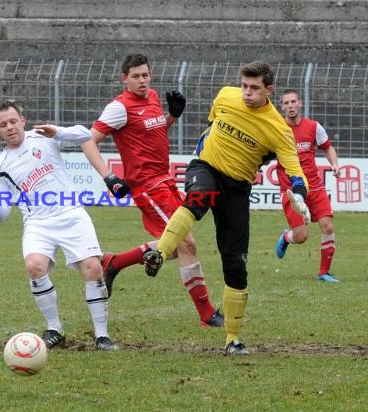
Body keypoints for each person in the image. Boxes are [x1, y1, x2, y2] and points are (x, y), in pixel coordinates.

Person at [142, 61, 311, 356]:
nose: (246, 93)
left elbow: (295, 170)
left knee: (235, 262)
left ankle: (232, 338)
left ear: (268, 90)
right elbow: (212, 123)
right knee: (196, 200)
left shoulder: (279, 129)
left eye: (254, 88)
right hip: (205, 165)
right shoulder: (225, 96)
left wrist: (299, 193)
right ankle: (160, 252)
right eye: (244, 85)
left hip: (237, 187)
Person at [81, 53, 224, 328]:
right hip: (147, 186)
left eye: (145, 75)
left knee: (172, 248)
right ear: (125, 79)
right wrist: (108, 177)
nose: (142, 80)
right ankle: (207, 314)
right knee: (186, 243)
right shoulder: (119, 107)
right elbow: (88, 140)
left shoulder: (154, 97)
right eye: (136, 76)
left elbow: (152, 133)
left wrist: (172, 116)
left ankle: (115, 262)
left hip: (165, 180)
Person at [0, 99, 119, 351]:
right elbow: (3, 214)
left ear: (23, 120)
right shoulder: (0, 168)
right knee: (34, 266)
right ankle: (54, 328)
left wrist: (59, 132)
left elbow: (84, 135)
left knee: (93, 268)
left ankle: (102, 335)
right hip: (38, 222)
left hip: (71, 212)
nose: (10, 127)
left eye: (13, 121)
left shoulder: (44, 136)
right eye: (3, 125)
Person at [275, 89, 341, 283]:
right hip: (291, 191)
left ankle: (323, 273)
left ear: (300, 103)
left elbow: (327, 147)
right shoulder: (277, 129)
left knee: (327, 226)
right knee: (301, 236)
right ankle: (286, 237)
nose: (290, 106)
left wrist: (334, 164)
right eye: (286, 103)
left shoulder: (313, 127)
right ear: (282, 107)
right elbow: (262, 153)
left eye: (293, 101)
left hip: (314, 186)